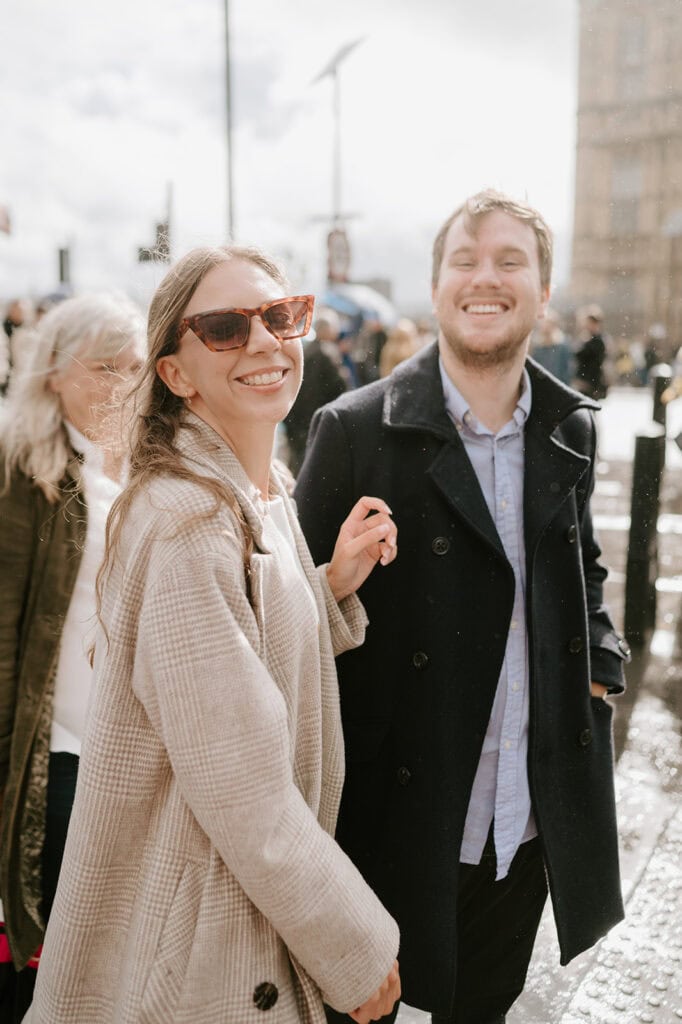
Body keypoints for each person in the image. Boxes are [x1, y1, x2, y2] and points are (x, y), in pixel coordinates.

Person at [27, 245, 401, 1024]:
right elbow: (242, 789)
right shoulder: (188, 520)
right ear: (175, 374)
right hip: (208, 938)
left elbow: (237, 661)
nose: (265, 341)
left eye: (280, 315)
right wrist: (355, 948)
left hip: (231, 904)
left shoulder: (261, 490)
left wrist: (327, 586)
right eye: (226, 328)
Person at [294, 190, 630, 1024]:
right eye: (466, 261)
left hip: (522, 831)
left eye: (511, 261)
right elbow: (286, 629)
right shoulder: (354, 431)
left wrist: (601, 671)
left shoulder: (570, 430)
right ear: (438, 286)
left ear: (543, 291)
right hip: (393, 834)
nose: (487, 278)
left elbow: (581, 569)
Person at [0, 292, 147, 1023]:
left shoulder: (152, 465)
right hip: (62, 757)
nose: (123, 383)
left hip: (143, 756)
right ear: (55, 373)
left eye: (135, 367)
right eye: (104, 368)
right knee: (63, 959)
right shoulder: (23, 470)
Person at [284, 311, 348, 474]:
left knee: (300, 463)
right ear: (327, 330)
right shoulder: (328, 352)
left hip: (300, 418)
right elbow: (341, 387)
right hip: (319, 417)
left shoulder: (307, 350)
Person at [573, 306, 608, 400]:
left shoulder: (597, 341)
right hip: (586, 381)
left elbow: (592, 361)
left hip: (591, 383)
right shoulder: (588, 338)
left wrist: (586, 381)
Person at [529, 307, 572, 385]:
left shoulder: (561, 346)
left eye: (549, 324)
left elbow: (565, 369)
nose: (546, 327)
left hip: (557, 385)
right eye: (545, 324)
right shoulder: (536, 346)